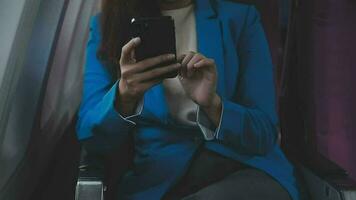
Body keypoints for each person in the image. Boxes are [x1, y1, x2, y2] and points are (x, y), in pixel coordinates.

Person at [76, 0, 301, 199]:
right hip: (162, 176)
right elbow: (91, 136)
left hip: (244, 169)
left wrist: (214, 106)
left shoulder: (240, 19)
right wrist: (124, 95)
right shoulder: (109, 25)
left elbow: (264, 133)